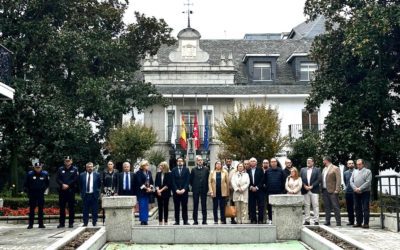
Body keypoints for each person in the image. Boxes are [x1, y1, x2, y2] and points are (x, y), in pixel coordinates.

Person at [24, 163, 49, 229]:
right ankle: (30, 224)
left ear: (41, 167)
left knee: (41, 209)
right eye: (36, 167)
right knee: (32, 210)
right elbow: (26, 184)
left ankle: (41, 224)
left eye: (39, 167)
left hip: (41, 194)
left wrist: (44, 190)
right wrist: (28, 193)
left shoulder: (45, 174)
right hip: (32, 194)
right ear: (34, 168)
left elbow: (47, 184)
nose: (38, 168)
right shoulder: (30, 174)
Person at [56, 156, 79, 228]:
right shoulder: (60, 169)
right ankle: (61, 223)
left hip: (71, 191)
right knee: (62, 208)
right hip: (62, 191)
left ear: (71, 161)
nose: (67, 162)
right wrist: (62, 184)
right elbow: (57, 178)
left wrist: (68, 185)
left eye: (69, 160)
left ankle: (71, 223)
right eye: (66, 160)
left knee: (71, 208)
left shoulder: (75, 169)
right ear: (64, 161)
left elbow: (75, 179)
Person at [350, 159, 372, 229]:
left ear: (363, 164)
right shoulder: (354, 171)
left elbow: (368, 182)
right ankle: (358, 222)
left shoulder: (368, 171)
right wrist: (355, 188)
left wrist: (360, 188)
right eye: (357, 164)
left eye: (359, 164)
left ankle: (366, 223)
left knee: (365, 207)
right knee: (357, 207)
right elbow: (351, 181)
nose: (358, 166)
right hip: (356, 192)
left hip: (365, 192)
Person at [300, 157, 321, 225]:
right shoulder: (302, 170)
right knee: (306, 205)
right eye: (307, 161)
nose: (308, 162)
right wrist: (304, 186)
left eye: (309, 161)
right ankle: (307, 220)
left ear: (313, 162)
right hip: (305, 190)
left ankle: (316, 220)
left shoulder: (317, 170)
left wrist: (312, 186)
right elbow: (300, 179)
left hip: (314, 190)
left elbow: (319, 179)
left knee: (315, 205)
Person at [79, 162, 101, 227]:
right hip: (85, 195)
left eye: (91, 167)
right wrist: (81, 193)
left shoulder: (97, 174)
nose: (90, 168)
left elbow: (99, 184)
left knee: (95, 210)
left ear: (93, 167)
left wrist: (97, 192)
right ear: (86, 168)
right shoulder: (82, 175)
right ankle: (85, 223)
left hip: (94, 195)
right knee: (85, 210)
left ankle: (94, 222)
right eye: (88, 167)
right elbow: (80, 185)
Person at [322, 156, 341, 226]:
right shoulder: (324, 169)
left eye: (323, 160)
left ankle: (338, 222)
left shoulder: (335, 168)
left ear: (326, 160)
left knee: (335, 206)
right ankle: (327, 221)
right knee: (327, 207)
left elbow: (338, 180)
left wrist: (337, 189)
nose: (323, 162)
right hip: (325, 190)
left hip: (333, 191)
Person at [190, 155, 209, 225]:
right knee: (195, 205)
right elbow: (191, 180)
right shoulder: (193, 169)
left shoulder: (206, 169)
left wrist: (207, 188)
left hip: (204, 190)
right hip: (196, 190)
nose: (200, 161)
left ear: (202, 161)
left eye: (201, 160)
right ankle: (195, 221)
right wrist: (194, 186)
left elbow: (208, 179)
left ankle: (204, 220)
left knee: (204, 205)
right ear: (196, 162)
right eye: (198, 160)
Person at [265, 158, 285, 224]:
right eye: (272, 162)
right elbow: (265, 181)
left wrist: (282, 191)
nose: (273, 163)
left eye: (274, 162)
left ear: (276, 162)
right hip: (269, 192)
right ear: (270, 163)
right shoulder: (267, 171)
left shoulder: (281, 171)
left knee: (279, 206)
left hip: (279, 192)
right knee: (269, 206)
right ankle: (270, 219)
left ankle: (279, 218)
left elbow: (283, 181)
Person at [171, 157, 190, 225]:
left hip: (184, 192)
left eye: (181, 161)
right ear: (177, 162)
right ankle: (177, 221)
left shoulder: (187, 170)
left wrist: (184, 189)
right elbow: (172, 181)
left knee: (184, 207)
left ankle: (185, 221)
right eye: (178, 161)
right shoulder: (173, 170)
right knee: (176, 207)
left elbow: (188, 181)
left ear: (183, 162)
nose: (180, 162)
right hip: (176, 193)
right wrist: (176, 190)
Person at [136, 160, 154, 225]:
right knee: (142, 206)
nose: (147, 166)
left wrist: (150, 188)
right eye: (146, 165)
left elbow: (151, 181)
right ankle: (142, 220)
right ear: (143, 166)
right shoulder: (138, 173)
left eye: (147, 165)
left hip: (148, 192)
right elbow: (139, 182)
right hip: (141, 192)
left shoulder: (149, 172)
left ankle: (146, 220)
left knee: (146, 206)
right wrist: (146, 188)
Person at [247, 157, 265, 224]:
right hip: (251, 191)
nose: (252, 162)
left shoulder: (260, 170)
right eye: (251, 161)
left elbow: (262, 180)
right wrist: (251, 187)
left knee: (261, 206)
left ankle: (260, 220)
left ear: (256, 162)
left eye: (254, 161)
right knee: (252, 206)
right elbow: (246, 180)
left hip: (259, 190)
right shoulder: (247, 170)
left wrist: (257, 187)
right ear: (249, 162)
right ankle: (253, 219)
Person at [224, 157, 237, 224]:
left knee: (232, 204)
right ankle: (224, 219)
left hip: (232, 189)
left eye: (229, 161)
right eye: (227, 161)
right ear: (225, 161)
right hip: (224, 190)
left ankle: (232, 219)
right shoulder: (223, 168)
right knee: (224, 204)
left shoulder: (234, 169)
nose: (228, 162)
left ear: (231, 161)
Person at [343, 160, 355, 226]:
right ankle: (351, 221)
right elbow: (345, 181)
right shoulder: (345, 173)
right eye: (349, 163)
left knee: (357, 207)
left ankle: (359, 221)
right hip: (348, 192)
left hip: (355, 192)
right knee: (349, 208)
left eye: (352, 163)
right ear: (347, 165)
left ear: (354, 164)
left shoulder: (357, 172)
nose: (351, 164)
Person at [261, 159, 269, 223]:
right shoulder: (260, 170)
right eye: (264, 163)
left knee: (269, 205)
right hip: (261, 190)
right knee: (263, 206)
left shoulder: (270, 170)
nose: (265, 164)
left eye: (266, 163)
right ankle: (264, 219)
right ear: (262, 164)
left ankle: (271, 219)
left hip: (269, 190)